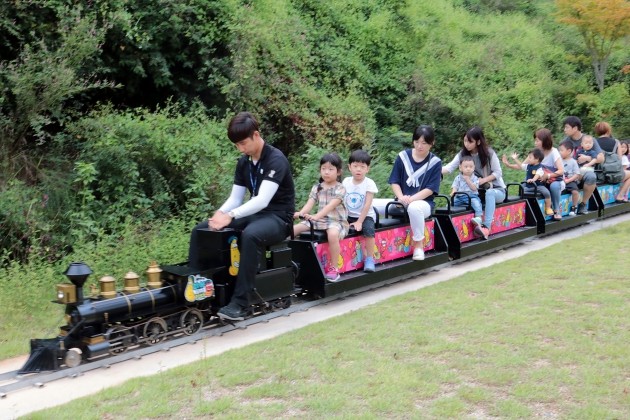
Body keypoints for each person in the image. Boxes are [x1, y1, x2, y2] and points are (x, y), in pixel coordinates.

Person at [188, 112, 295, 321]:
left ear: (256, 135)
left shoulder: (276, 160)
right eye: (237, 145)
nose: (240, 149)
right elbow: (235, 198)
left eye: (243, 143)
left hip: (279, 218)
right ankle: (198, 285)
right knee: (201, 229)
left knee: (251, 235)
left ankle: (240, 302)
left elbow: (263, 200)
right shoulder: (244, 162)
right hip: (255, 214)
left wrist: (231, 216)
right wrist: (219, 214)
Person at [385, 125, 442, 260]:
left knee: (414, 208)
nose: (419, 146)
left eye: (424, 143)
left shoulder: (435, 162)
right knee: (373, 205)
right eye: (417, 142)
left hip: (423, 203)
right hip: (401, 200)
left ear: (431, 143)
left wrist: (411, 199)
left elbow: (430, 189)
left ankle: (419, 245)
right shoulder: (402, 157)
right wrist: (400, 197)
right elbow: (395, 181)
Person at [442, 127, 506, 239]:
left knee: (489, 193)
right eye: (465, 140)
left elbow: (498, 172)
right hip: (477, 192)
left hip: (497, 190)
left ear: (478, 141)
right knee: (460, 198)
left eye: (470, 141)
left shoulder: (489, 153)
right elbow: (449, 168)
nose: (466, 144)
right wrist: (433, 169)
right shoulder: (463, 154)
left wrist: (483, 180)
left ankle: (486, 227)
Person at [294, 153, 349, 281]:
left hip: (336, 221)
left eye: (330, 169)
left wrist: (316, 216)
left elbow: (330, 206)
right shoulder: (317, 188)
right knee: (293, 230)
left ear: (339, 172)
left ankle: (334, 268)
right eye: (323, 168)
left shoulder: (340, 188)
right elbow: (309, 204)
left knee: (333, 234)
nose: (326, 172)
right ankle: (290, 261)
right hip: (319, 220)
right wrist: (300, 213)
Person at [342, 150, 378, 272]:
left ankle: (369, 259)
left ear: (367, 169)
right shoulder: (346, 182)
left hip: (366, 216)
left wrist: (359, 222)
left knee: (368, 231)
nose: (358, 169)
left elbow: (367, 204)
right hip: (348, 215)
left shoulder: (369, 183)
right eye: (355, 166)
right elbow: (340, 200)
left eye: (362, 167)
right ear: (349, 167)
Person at [562, 116, 603, 214]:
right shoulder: (565, 142)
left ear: (575, 128)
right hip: (570, 172)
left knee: (591, 177)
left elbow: (601, 158)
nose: (564, 130)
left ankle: (583, 204)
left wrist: (587, 158)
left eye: (567, 127)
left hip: (585, 171)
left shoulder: (589, 140)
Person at [502, 148, 555, 217]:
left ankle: (548, 208)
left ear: (537, 159)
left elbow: (537, 175)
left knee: (547, 193)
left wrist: (533, 179)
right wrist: (515, 159)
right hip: (529, 186)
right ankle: (520, 208)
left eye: (530, 157)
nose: (528, 159)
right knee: (522, 191)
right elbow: (521, 165)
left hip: (538, 186)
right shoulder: (528, 166)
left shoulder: (540, 168)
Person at [594, 121, 630, 202]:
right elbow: (619, 160)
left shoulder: (593, 142)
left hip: (598, 175)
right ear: (608, 130)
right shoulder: (616, 142)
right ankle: (620, 196)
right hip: (613, 175)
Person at [450, 155, 484, 236]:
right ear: (460, 168)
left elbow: (474, 188)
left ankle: (479, 217)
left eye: (470, 166)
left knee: (476, 203)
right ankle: (449, 218)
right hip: (459, 197)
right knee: (450, 204)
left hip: (471, 196)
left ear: (474, 168)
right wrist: (453, 192)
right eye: (466, 167)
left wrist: (468, 180)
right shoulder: (458, 178)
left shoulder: (475, 178)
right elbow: (455, 186)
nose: (468, 168)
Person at [558, 140, 581, 215]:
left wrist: (568, 180)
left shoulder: (573, 161)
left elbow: (576, 174)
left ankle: (574, 207)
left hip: (570, 181)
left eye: (561, 150)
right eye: (559, 150)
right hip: (559, 180)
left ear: (569, 151)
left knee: (575, 192)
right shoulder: (558, 161)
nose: (559, 152)